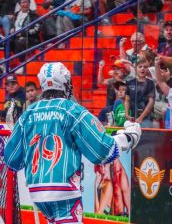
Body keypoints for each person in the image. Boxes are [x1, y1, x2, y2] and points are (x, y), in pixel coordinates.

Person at [4, 62, 142, 223]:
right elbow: (103, 150)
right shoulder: (72, 110)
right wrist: (129, 137)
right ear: (64, 83)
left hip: (37, 192)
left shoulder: (28, 113)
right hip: (65, 193)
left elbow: (11, 159)